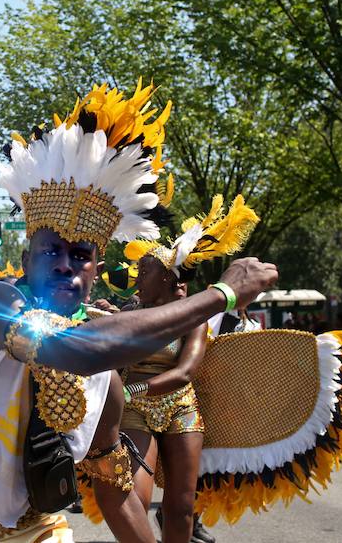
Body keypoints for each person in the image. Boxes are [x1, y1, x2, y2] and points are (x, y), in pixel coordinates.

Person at [0, 81, 279, 542]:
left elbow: (116, 494)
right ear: (28, 252)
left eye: (79, 255)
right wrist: (221, 294)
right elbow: (67, 348)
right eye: (50, 250)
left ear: (97, 267)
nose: (64, 264)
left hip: (40, 531)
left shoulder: (106, 382)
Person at [120, 195, 259, 543]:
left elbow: (185, 373)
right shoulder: (127, 316)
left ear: (168, 277)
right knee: (134, 498)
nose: (137, 278)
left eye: (145, 271)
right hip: (136, 411)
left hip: (181, 408)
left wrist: (130, 389)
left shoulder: (192, 319)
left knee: (181, 509)